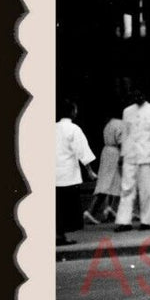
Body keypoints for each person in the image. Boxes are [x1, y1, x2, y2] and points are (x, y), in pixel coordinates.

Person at [115, 84, 150, 231]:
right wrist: (122, 154)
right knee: (126, 188)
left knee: (146, 190)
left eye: (140, 94)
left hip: (147, 155)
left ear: (145, 95)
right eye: (134, 94)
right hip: (130, 155)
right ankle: (124, 221)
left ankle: (146, 220)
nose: (137, 96)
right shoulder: (127, 111)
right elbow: (125, 134)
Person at [55, 99, 96, 245]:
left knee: (57, 206)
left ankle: (58, 235)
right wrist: (90, 171)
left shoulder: (53, 128)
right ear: (72, 112)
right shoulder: (73, 129)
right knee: (67, 206)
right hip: (68, 174)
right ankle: (61, 236)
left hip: (54, 174)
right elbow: (82, 151)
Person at [86, 110, 125, 224]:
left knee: (107, 182)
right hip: (115, 153)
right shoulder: (120, 124)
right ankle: (93, 211)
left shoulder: (109, 124)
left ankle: (110, 209)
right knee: (114, 182)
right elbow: (121, 141)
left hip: (106, 152)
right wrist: (123, 156)